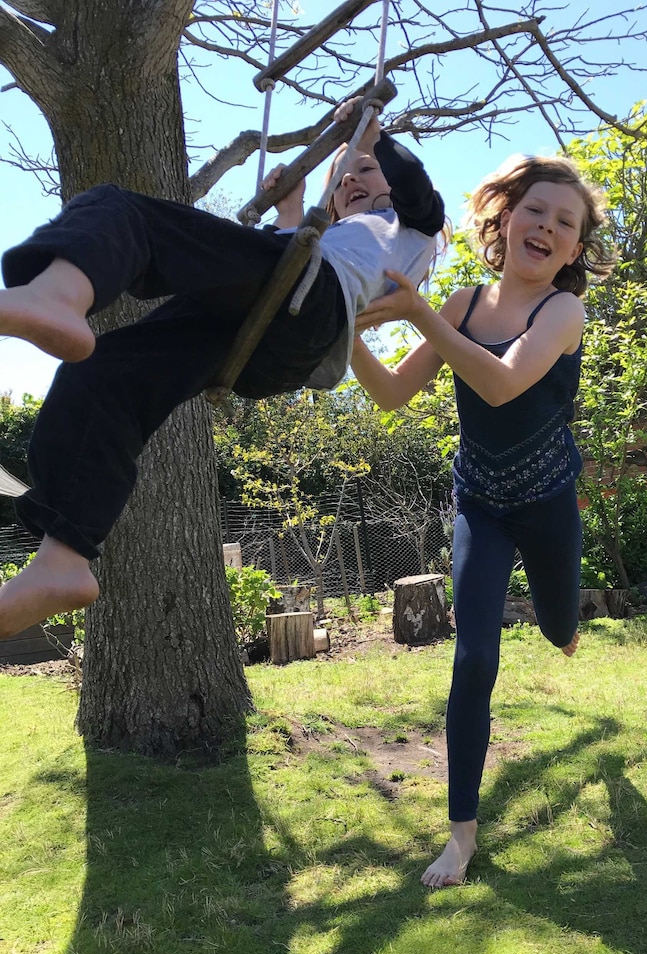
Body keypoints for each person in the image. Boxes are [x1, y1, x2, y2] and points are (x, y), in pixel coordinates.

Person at [0, 99, 445, 641]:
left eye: (366, 169)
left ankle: (54, 293)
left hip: (309, 302)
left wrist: (374, 140)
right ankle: (62, 558)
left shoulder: (411, 227)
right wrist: (291, 209)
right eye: (342, 175)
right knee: (103, 373)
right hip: (265, 337)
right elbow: (280, 256)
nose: (352, 177)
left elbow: (418, 196)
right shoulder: (340, 234)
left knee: (121, 211)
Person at [350, 154, 615, 889]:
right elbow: (392, 395)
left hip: (550, 502)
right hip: (482, 504)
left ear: (573, 249)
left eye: (566, 223)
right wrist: (343, 333)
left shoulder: (562, 311)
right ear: (504, 217)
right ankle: (461, 837)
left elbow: (499, 384)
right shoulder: (463, 305)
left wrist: (419, 313)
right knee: (474, 659)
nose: (548, 227)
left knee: (559, 624)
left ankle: (564, 629)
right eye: (537, 210)